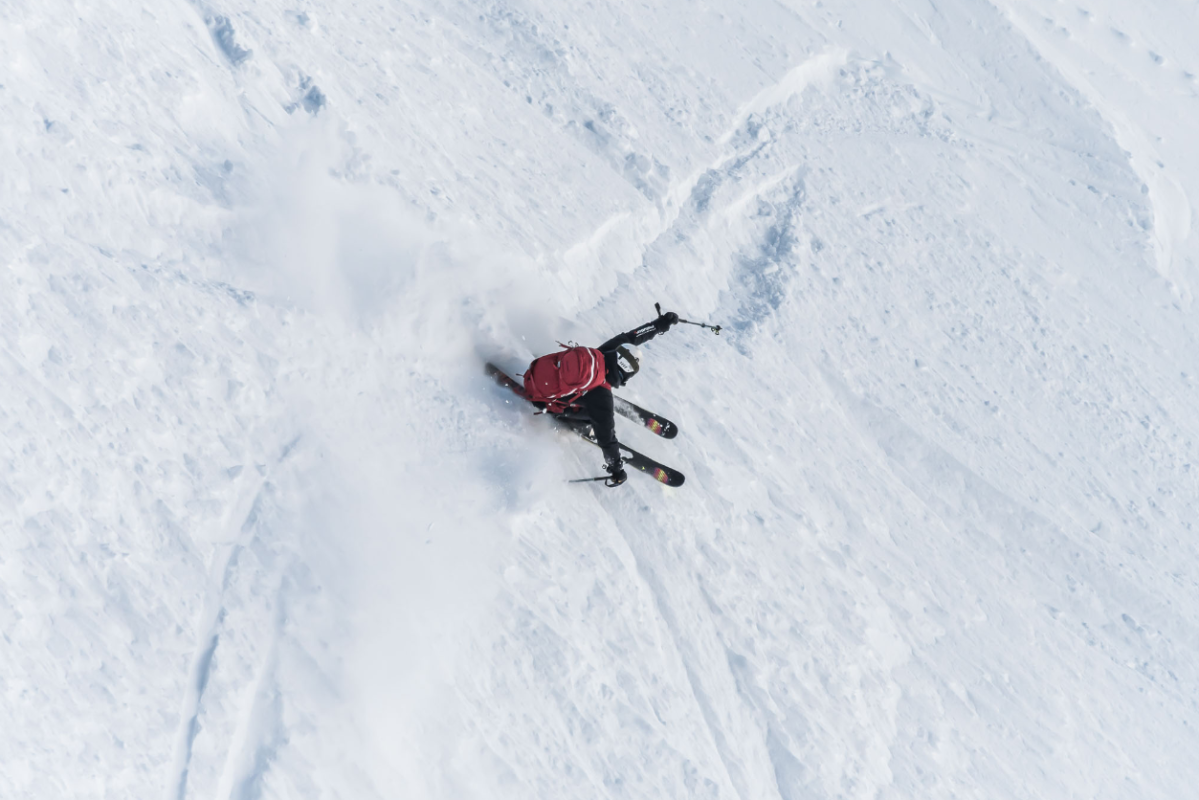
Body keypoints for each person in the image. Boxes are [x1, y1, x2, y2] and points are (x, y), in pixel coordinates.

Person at [532, 310, 679, 486]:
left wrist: (659, 324)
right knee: (595, 419)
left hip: (536, 370)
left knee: (594, 405)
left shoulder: (606, 351)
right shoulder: (601, 397)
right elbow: (607, 440)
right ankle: (568, 418)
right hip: (542, 400)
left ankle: (576, 396)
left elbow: (633, 337)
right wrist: (617, 469)